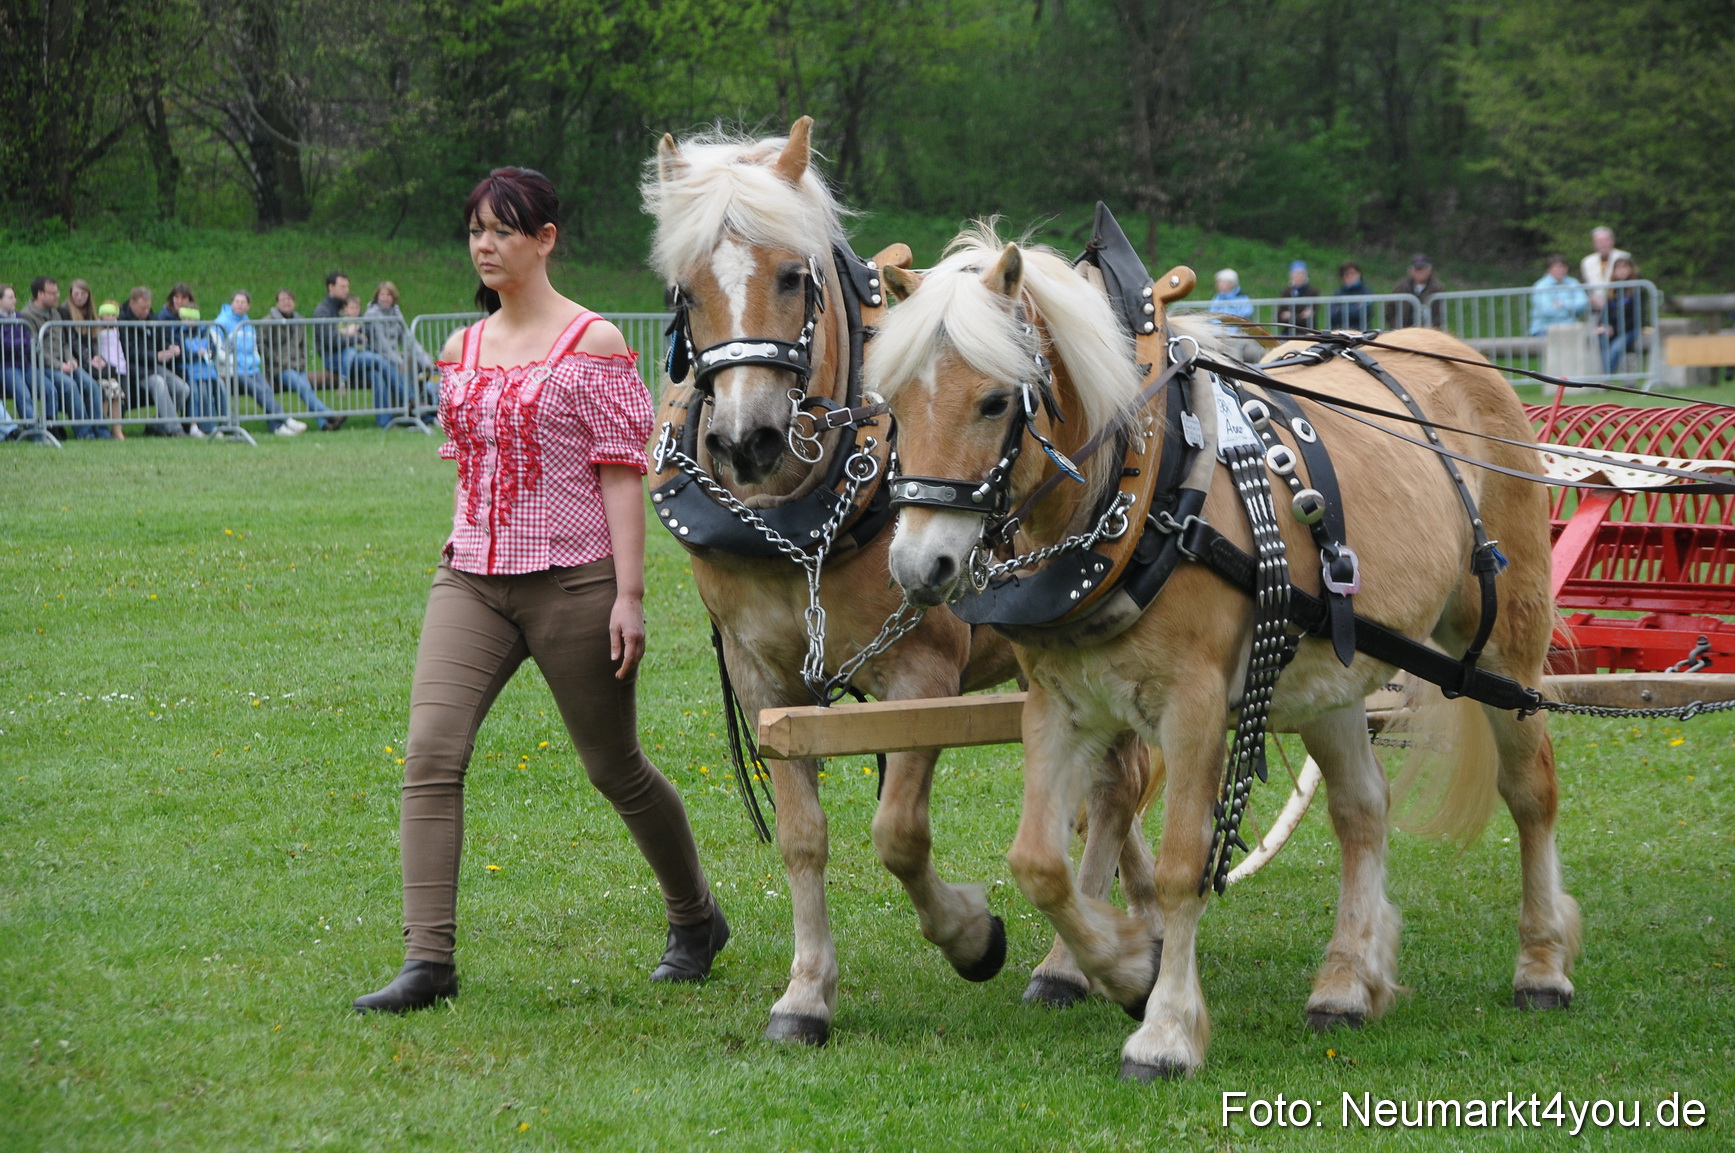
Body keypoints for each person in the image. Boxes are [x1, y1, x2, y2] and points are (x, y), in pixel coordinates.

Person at [352, 167, 726, 1014]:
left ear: (545, 239)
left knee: (614, 767)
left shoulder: (591, 342)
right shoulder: (460, 350)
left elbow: (621, 476)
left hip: (574, 582)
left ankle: (696, 919)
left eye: (503, 230)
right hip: (472, 578)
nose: (484, 245)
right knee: (430, 757)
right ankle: (428, 961)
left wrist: (628, 597)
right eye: (475, 230)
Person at [22, 277, 107, 438]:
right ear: (40, 294)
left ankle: (102, 431)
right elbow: (35, 348)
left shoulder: (55, 313)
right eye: (52, 293)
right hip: (43, 365)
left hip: (63, 361)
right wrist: (59, 365)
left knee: (90, 384)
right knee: (69, 386)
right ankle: (85, 432)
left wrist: (70, 360)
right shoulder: (28, 315)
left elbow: (64, 342)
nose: (57, 296)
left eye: (57, 292)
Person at [214, 291, 305, 436]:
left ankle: (277, 427)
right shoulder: (221, 322)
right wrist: (232, 362)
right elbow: (217, 347)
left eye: (243, 302)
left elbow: (254, 346)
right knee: (260, 391)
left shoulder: (247, 323)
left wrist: (256, 359)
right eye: (237, 301)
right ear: (232, 303)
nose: (239, 304)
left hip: (251, 368)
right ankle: (286, 420)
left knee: (267, 389)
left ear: (248, 306)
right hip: (232, 370)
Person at [262, 290, 343, 430]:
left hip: (298, 365)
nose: (286, 302)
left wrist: (302, 361)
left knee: (307, 389)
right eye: (283, 299)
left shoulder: (299, 320)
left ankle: (324, 424)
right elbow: (263, 346)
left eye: (289, 299)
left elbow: (303, 345)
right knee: (304, 386)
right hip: (279, 367)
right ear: (277, 303)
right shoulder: (268, 322)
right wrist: (279, 362)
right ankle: (329, 414)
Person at [115, 287, 190, 437]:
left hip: (153, 366)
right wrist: (156, 356)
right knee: (158, 383)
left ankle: (157, 425)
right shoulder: (122, 321)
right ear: (132, 303)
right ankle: (175, 429)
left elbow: (161, 337)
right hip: (134, 369)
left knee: (182, 388)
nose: (146, 311)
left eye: (148, 307)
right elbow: (130, 352)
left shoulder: (151, 317)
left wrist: (170, 346)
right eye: (142, 308)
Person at [365, 281, 437, 409]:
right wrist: (398, 361)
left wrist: (426, 360)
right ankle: (413, 402)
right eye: (382, 295)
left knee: (415, 365)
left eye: (388, 295)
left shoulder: (396, 313)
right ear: (377, 297)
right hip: (377, 355)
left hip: (393, 356)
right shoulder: (372, 314)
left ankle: (424, 409)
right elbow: (382, 344)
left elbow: (408, 339)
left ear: (393, 298)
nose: (385, 298)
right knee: (400, 369)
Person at [1, 284, 46, 432]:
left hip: (24, 364)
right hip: (6, 366)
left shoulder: (20, 317)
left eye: (14, 296)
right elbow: (4, 345)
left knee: (48, 389)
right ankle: (33, 431)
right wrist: (21, 343)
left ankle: (50, 428)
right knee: (23, 394)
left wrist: (19, 344)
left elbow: (29, 339)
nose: (15, 300)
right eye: (10, 297)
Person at [1597, 256, 1645, 374]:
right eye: (1618, 268)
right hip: (1613, 329)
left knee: (1616, 348)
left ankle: (1606, 377)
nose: (1621, 271)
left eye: (1624, 267)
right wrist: (1603, 325)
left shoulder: (1638, 289)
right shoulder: (1613, 290)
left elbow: (1635, 317)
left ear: (1631, 269)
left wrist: (1615, 330)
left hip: (1631, 329)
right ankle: (1606, 377)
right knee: (1601, 340)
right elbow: (1605, 311)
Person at [91, 300, 129, 439]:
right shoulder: (96, 329)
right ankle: (103, 427)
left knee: (118, 394)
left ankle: (117, 429)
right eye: (108, 315)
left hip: (119, 367)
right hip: (103, 369)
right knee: (106, 394)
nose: (111, 318)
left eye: (114, 315)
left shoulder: (118, 328)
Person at [1529, 255, 1590, 336]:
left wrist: (1563, 304)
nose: (1560, 270)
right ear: (1549, 270)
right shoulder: (1540, 286)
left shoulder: (1573, 282)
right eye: (1556, 267)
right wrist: (1571, 312)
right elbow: (1546, 311)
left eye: (1563, 267)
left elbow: (1583, 303)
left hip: (1572, 327)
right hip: (1545, 329)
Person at [1580, 226, 1632, 308]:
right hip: (1596, 308)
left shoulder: (1624, 257)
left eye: (1606, 240)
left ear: (1612, 241)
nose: (1603, 244)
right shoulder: (1586, 262)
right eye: (1599, 241)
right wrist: (1592, 298)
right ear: (1594, 244)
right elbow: (1585, 285)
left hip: (1621, 305)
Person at [1389, 254, 1446, 327]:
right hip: (1404, 330)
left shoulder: (1437, 288)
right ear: (1411, 271)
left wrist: (1433, 327)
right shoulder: (1401, 287)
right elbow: (1390, 309)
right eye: (1417, 270)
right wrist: (1396, 325)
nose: (1420, 273)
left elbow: (1440, 313)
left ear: (1429, 270)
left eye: (1423, 269)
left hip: (1427, 331)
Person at [1275, 260, 1318, 331]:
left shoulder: (1312, 291)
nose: (1299, 276)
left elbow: (1308, 319)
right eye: (1296, 274)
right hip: (1288, 332)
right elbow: (1280, 317)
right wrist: (1299, 316)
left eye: (1301, 274)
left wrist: (1291, 316)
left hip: (1307, 332)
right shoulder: (1286, 292)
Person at [1328, 261, 1371, 330]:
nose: (1350, 276)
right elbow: (1333, 315)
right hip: (1340, 332)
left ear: (1359, 274)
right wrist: (1354, 307)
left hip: (1360, 332)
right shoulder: (1338, 293)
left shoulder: (1365, 292)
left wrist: (1341, 309)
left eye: (1353, 273)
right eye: (1346, 274)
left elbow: (1362, 313)